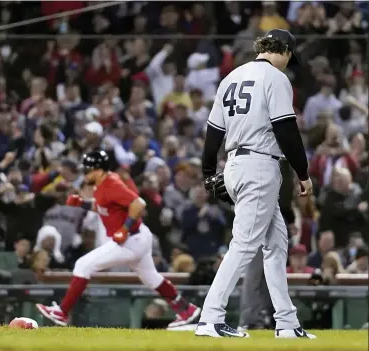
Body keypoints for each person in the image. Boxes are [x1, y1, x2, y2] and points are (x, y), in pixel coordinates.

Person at [196, 29, 316, 339]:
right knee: (245, 244)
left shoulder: (231, 77)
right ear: (284, 50)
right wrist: (303, 174)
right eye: (290, 56)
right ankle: (210, 318)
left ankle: (287, 323)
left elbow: (213, 133)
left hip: (235, 165)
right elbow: (286, 130)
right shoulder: (275, 78)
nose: (289, 63)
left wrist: (209, 171)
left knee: (276, 244)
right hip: (260, 166)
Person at [36, 150, 200, 329]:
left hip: (130, 239)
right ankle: (186, 309)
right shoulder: (101, 184)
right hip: (137, 237)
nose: (85, 174)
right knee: (151, 278)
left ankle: (62, 312)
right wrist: (81, 203)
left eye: (88, 170)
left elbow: (139, 204)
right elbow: (103, 207)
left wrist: (124, 229)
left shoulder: (111, 183)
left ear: (98, 170)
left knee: (83, 265)